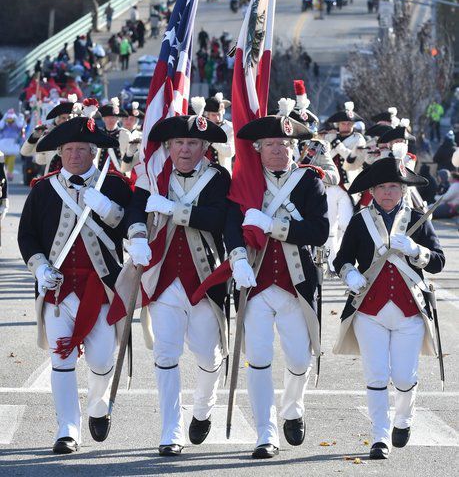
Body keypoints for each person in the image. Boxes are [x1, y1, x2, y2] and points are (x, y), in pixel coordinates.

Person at [17, 112, 133, 454]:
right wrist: (39, 268)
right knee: (61, 359)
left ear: (94, 151)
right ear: (60, 152)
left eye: (82, 149)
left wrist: (110, 209)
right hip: (57, 289)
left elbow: (129, 227)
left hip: (101, 289)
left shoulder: (113, 185)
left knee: (100, 360)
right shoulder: (43, 189)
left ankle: (99, 406)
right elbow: (27, 236)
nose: (74, 155)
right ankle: (67, 427)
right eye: (68, 149)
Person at [123, 114, 231, 456]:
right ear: (168, 146)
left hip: (204, 279)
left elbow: (217, 218)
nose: (186, 149)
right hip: (163, 279)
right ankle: (170, 430)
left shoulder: (217, 178)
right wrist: (137, 235)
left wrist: (174, 209)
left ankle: (203, 407)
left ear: (204, 147)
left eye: (193, 143)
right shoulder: (154, 176)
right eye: (180, 143)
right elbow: (134, 210)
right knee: (166, 353)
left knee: (209, 356)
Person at [224, 112, 329, 459]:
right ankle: (265, 434)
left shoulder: (309, 181)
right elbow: (230, 226)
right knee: (258, 360)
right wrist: (237, 258)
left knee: (299, 360)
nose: (280, 151)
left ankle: (292, 409)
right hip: (254, 283)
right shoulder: (245, 183)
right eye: (272, 145)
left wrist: (273, 226)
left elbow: (319, 231)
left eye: (286, 144)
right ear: (258, 149)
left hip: (295, 284)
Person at [333, 156, 445, 460]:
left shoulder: (418, 218)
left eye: (393, 187)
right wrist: (350, 274)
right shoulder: (360, 220)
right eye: (381, 187)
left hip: (410, 310)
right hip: (369, 310)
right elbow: (340, 259)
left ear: (403, 189)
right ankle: (379, 436)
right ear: (372, 190)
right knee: (376, 375)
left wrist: (415, 250)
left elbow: (438, 260)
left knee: (406, 377)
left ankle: (404, 419)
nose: (387, 193)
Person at [322, 102, 366, 268]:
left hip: (349, 188)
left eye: (349, 123)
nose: (346, 126)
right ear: (338, 124)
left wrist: (338, 145)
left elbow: (353, 159)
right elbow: (325, 157)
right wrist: (332, 144)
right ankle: (331, 262)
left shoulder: (358, 139)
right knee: (330, 225)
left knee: (346, 224)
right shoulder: (329, 137)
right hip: (331, 185)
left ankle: (345, 259)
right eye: (343, 123)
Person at [20, 96, 77, 174]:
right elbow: (26, 153)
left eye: (69, 118)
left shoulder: (79, 136)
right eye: (64, 118)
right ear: (58, 120)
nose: (67, 121)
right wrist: (35, 136)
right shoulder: (49, 136)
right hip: (53, 180)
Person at [191, 94, 235, 173]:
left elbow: (229, 152)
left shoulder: (229, 127)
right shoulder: (200, 127)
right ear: (207, 115)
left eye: (219, 114)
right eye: (213, 115)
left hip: (222, 174)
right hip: (201, 173)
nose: (217, 118)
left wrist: (211, 139)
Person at [97, 99, 130, 172]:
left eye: (113, 117)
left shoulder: (125, 134)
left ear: (118, 119)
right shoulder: (99, 133)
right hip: (100, 172)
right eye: (107, 117)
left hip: (120, 172)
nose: (110, 120)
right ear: (103, 119)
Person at [0, 108, 25, 180]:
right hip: (4, 144)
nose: (10, 123)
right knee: (4, 160)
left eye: (12, 121)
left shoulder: (16, 126)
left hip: (13, 144)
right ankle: (3, 172)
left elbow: (21, 126)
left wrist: (19, 118)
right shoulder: (4, 125)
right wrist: (4, 118)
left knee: (11, 159)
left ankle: (9, 173)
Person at [120, 102, 144, 176]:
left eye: (131, 119)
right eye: (126, 118)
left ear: (136, 121)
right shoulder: (116, 134)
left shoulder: (142, 136)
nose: (128, 121)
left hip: (136, 171)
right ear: (122, 120)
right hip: (118, 170)